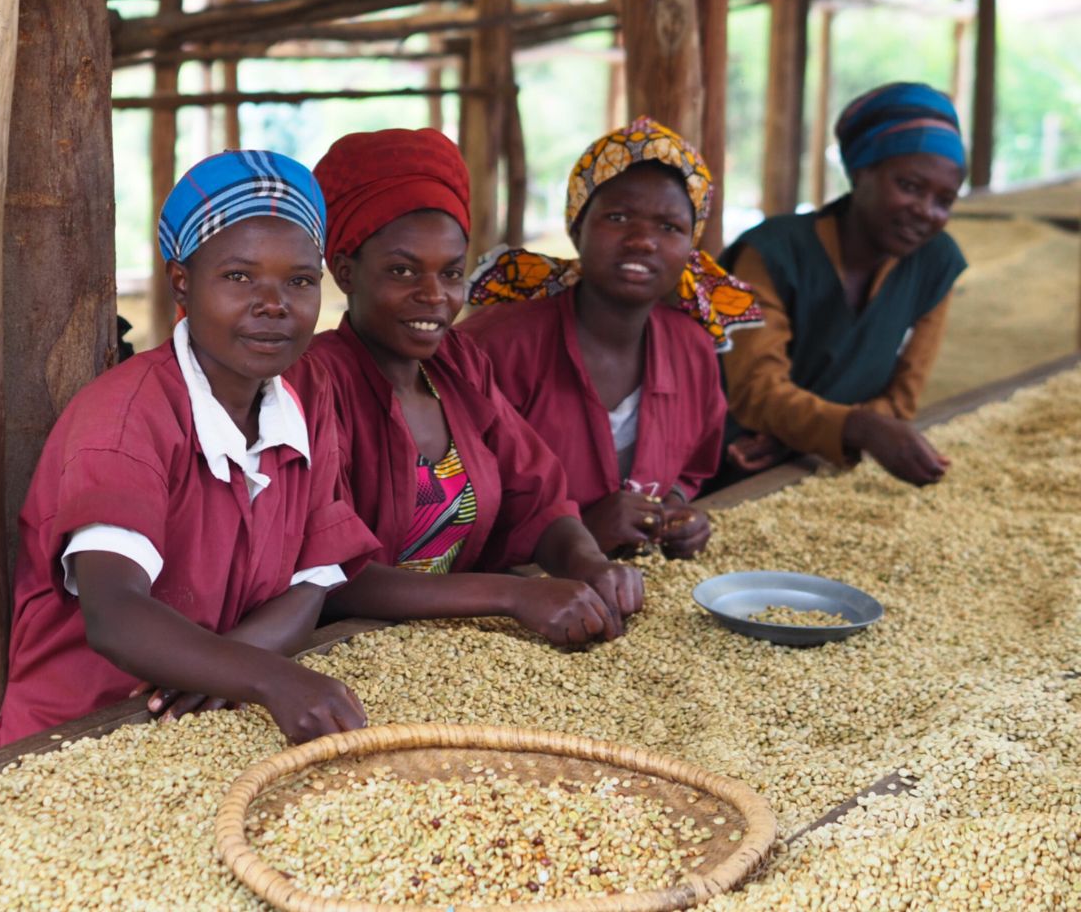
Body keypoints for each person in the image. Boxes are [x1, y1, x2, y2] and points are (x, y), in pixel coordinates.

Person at [0, 150, 381, 747]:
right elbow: (114, 614)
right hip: (84, 735)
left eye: (300, 281)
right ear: (182, 282)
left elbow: (314, 579)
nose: (274, 304)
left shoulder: (306, 393)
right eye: (239, 277)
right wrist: (271, 678)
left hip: (202, 720)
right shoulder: (127, 417)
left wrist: (230, 667)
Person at [290, 127, 638, 641]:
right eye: (403, 271)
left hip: (447, 648)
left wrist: (589, 564)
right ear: (345, 271)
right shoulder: (314, 384)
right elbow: (332, 577)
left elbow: (537, 499)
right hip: (335, 651)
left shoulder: (459, 367)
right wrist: (512, 594)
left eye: (451, 274)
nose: (434, 296)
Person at [463, 117, 752, 557]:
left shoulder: (692, 349)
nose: (643, 241)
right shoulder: (496, 348)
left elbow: (690, 470)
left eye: (669, 227)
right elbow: (448, 512)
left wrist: (675, 511)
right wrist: (574, 534)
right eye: (617, 217)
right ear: (577, 227)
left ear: (689, 248)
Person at [718, 82, 967, 485]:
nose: (926, 212)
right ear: (862, 171)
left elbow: (902, 399)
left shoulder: (936, 262)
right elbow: (755, 391)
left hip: (806, 464)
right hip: (720, 462)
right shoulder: (771, 253)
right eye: (909, 186)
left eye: (944, 200)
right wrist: (856, 429)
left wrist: (810, 437)